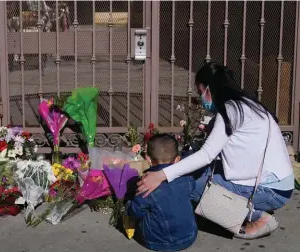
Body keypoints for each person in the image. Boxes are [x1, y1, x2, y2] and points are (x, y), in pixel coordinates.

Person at [137, 62, 294, 240]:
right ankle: (247, 209)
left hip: (270, 190)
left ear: (209, 89)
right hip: (279, 183)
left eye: (200, 92)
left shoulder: (230, 111)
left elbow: (206, 155)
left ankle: (256, 215)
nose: (200, 98)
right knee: (196, 172)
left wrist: (162, 175)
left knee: (187, 182)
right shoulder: (248, 104)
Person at [126, 134, 197, 251]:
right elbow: (191, 189)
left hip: (156, 242)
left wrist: (129, 205)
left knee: (133, 206)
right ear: (177, 159)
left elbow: (135, 212)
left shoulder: (146, 184)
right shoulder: (187, 177)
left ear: (148, 158)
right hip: (189, 237)